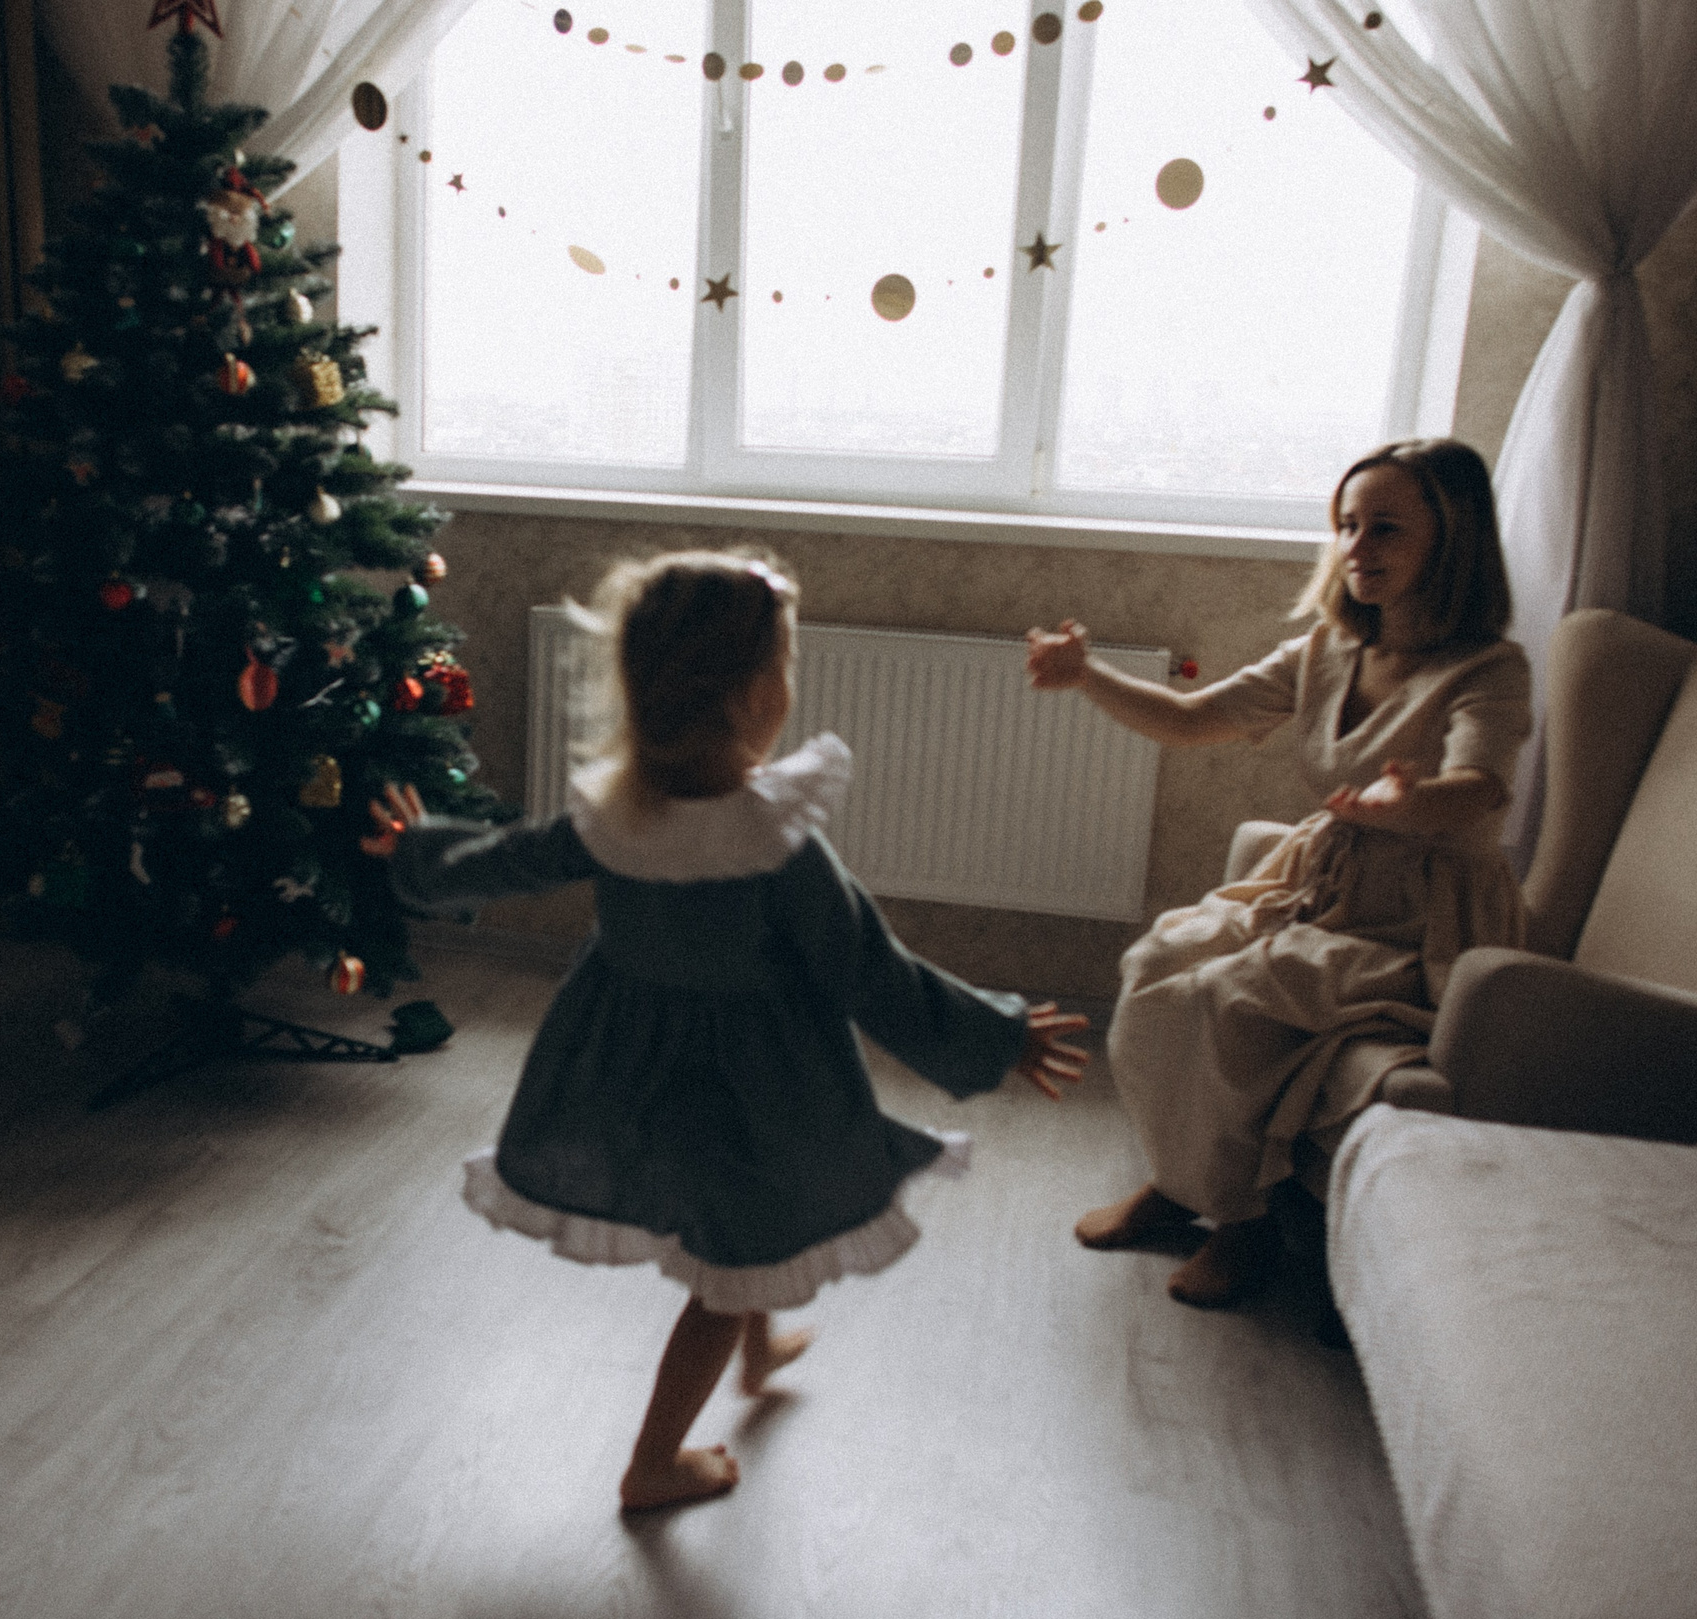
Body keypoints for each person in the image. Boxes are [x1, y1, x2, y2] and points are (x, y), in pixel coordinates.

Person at [364, 550, 1091, 1512]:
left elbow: (507, 860)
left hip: (629, 1066)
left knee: (745, 1225)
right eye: (784, 663)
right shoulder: (776, 843)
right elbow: (872, 970)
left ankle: (759, 1352)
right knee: (732, 1256)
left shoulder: (617, 815)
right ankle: (654, 1461)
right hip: (756, 1079)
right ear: (752, 695)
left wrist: (418, 851)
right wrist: (998, 1034)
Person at [1025, 438, 1529, 1309]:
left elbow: (1480, 784)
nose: (1357, 548)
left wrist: (1414, 800)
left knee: (1236, 999)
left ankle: (1241, 1223)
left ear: (1452, 542)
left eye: (1386, 530)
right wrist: (1086, 676)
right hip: (1323, 876)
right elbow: (1190, 718)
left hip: (1418, 914)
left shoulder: (1488, 669)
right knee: (1154, 968)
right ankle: (1178, 1180)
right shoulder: (1328, 648)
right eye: (1347, 526)